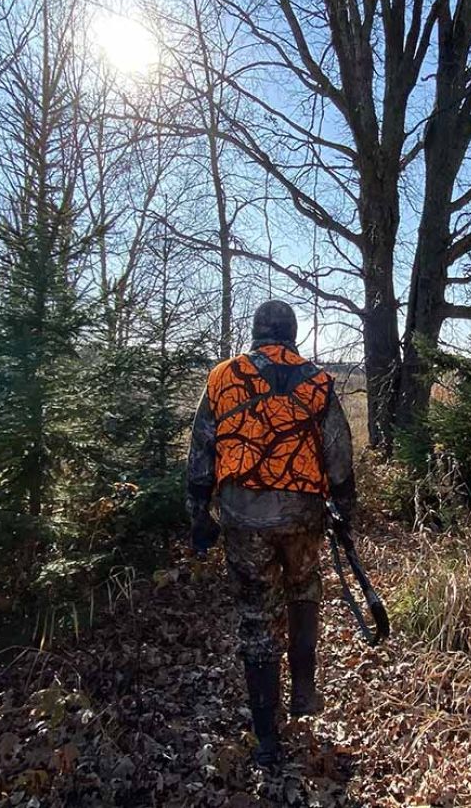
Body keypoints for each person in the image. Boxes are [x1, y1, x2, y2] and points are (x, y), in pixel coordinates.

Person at [185, 300, 356, 766]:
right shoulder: (318, 380)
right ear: (292, 333)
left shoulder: (223, 377)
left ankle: (266, 736)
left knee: (256, 620)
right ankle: (303, 688)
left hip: (243, 517)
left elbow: (202, 450)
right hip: (302, 514)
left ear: (256, 332)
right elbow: (338, 452)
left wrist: (198, 511)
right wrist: (345, 507)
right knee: (304, 589)